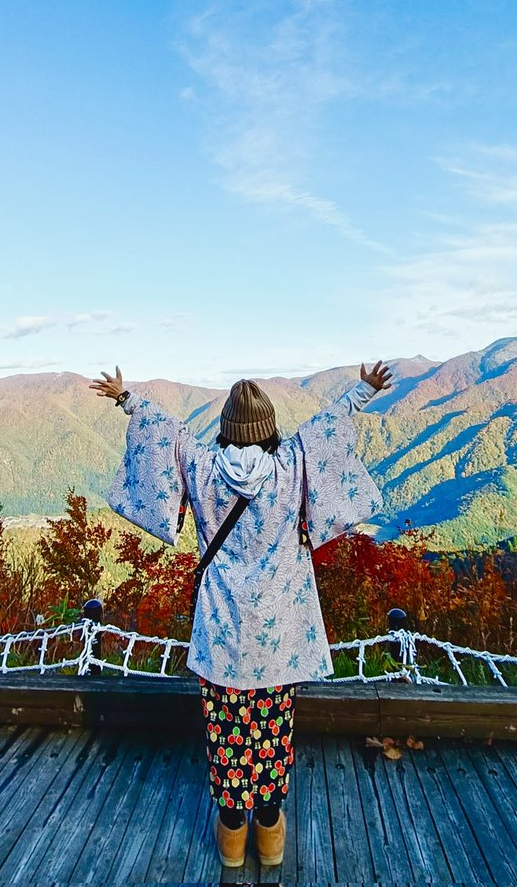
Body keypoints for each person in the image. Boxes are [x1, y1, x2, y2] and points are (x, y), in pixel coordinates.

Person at [89, 360, 392, 870]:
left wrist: (127, 399)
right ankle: (270, 832)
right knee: (272, 730)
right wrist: (363, 390)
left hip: (221, 629)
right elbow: (329, 426)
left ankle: (232, 834)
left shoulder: (203, 467)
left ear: (226, 430)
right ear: (270, 428)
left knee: (225, 729)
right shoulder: (291, 463)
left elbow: (167, 434)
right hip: (280, 632)